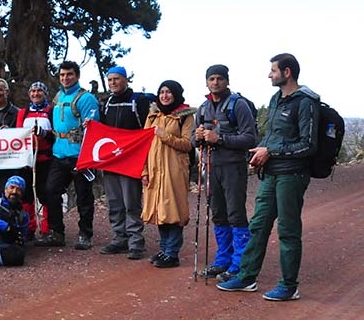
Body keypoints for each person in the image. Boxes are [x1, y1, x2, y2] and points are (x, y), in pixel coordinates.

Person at [218, 54, 319, 301]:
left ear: (287, 72)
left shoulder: (305, 102)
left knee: (288, 230)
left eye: (273, 70)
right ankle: (246, 277)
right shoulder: (276, 99)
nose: (269, 75)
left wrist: (270, 152)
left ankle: (289, 286)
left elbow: (308, 145)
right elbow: (272, 136)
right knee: (258, 225)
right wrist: (259, 153)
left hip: (292, 175)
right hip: (271, 174)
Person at [192, 64, 258, 280]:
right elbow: (193, 139)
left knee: (236, 214)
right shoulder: (203, 108)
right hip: (211, 167)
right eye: (211, 79)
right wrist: (198, 137)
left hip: (233, 167)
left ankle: (239, 264)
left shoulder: (238, 105)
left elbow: (250, 138)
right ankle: (223, 261)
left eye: (220, 78)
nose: (215, 82)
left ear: (227, 81)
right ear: (206, 82)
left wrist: (219, 139)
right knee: (218, 214)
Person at [43, 61, 100, 248]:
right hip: (59, 153)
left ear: (77, 76)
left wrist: (88, 155)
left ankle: (85, 234)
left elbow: (93, 127)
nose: (65, 78)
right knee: (51, 191)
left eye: (69, 74)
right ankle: (56, 232)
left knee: (83, 196)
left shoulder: (86, 98)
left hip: (80, 155)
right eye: (62, 75)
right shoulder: (58, 96)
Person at [99, 66, 152, 259]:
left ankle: (135, 242)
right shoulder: (106, 102)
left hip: (131, 159)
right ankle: (119, 238)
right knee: (114, 202)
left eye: (117, 79)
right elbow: (101, 129)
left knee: (131, 202)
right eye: (110, 79)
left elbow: (147, 128)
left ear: (126, 79)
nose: (113, 83)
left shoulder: (138, 101)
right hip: (111, 160)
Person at [140, 81, 195, 268]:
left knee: (174, 210)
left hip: (175, 170)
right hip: (154, 170)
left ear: (176, 94)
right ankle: (164, 250)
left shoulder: (185, 116)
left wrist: (164, 136)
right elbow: (144, 144)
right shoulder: (153, 115)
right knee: (159, 210)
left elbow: (188, 144)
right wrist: (144, 171)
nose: (164, 96)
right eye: (162, 92)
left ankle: (172, 253)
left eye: (169, 92)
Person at [16, 81, 53, 239]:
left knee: (45, 194)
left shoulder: (51, 111)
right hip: (27, 159)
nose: (36, 94)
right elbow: (17, 134)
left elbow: (56, 135)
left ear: (45, 93)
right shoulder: (23, 113)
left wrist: (44, 133)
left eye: (39, 91)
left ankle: (46, 228)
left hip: (45, 158)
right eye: (33, 91)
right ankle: (28, 227)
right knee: (26, 195)